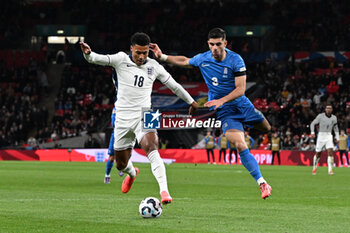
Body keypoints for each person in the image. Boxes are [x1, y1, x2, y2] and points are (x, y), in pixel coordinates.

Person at [151, 28, 272, 199]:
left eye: (218, 44)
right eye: (211, 44)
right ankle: (262, 183)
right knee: (239, 144)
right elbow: (185, 61)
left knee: (267, 128)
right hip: (226, 111)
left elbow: (241, 89)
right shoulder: (203, 58)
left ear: (225, 43)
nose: (214, 48)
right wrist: (162, 57)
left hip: (242, 105)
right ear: (208, 44)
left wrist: (221, 99)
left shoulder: (235, 60)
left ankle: (254, 116)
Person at [80, 32, 198, 204]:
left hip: (146, 113)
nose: (142, 56)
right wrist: (88, 53)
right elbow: (96, 59)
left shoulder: (154, 66)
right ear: (131, 49)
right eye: (138, 53)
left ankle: (164, 191)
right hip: (122, 116)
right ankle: (132, 172)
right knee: (120, 164)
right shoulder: (120, 59)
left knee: (152, 147)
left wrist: (191, 101)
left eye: (145, 53)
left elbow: (174, 85)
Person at [104, 70, 123, 184]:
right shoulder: (116, 109)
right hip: (116, 134)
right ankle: (107, 175)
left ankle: (122, 167)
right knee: (111, 156)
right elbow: (115, 79)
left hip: (125, 131)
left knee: (127, 153)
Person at [310, 105, 339, 175]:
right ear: (325, 109)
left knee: (330, 152)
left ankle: (330, 170)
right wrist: (312, 132)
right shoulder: (320, 116)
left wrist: (337, 137)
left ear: (332, 110)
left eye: (330, 108)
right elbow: (312, 123)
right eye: (327, 108)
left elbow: (335, 128)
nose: (328, 110)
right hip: (321, 136)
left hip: (329, 135)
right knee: (318, 154)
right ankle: (314, 167)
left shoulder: (334, 118)